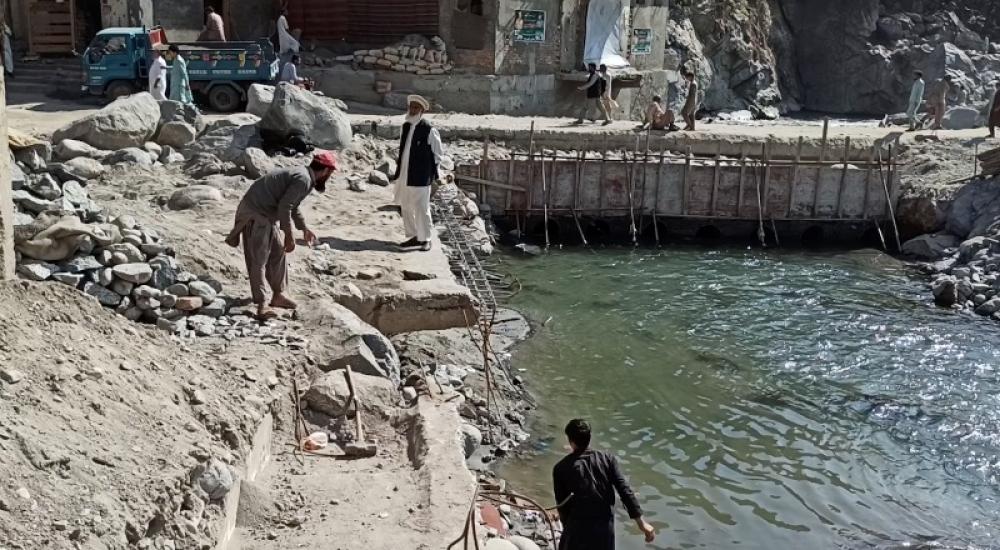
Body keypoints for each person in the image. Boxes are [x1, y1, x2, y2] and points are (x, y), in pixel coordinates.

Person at [226, 152, 337, 319]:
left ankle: (277, 295)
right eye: (330, 173)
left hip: (267, 216)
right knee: (259, 260)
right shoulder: (303, 179)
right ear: (326, 171)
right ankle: (262, 305)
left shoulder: (305, 177)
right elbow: (285, 207)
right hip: (255, 214)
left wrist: (304, 228)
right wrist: (289, 235)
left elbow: (293, 206)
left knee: (278, 253)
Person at [553, 419, 656, 549]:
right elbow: (624, 491)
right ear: (589, 438)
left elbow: (562, 507)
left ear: (571, 441)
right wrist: (642, 524)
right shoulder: (607, 460)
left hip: (577, 531)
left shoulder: (560, 468)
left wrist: (567, 530)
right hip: (604, 531)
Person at [392, 95, 444, 252]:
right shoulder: (405, 126)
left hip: (421, 176)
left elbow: (438, 154)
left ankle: (426, 239)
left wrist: (431, 173)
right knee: (406, 207)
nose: (412, 110)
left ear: (422, 110)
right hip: (404, 174)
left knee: (422, 208)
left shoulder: (429, 129)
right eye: (411, 107)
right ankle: (415, 236)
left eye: (416, 108)